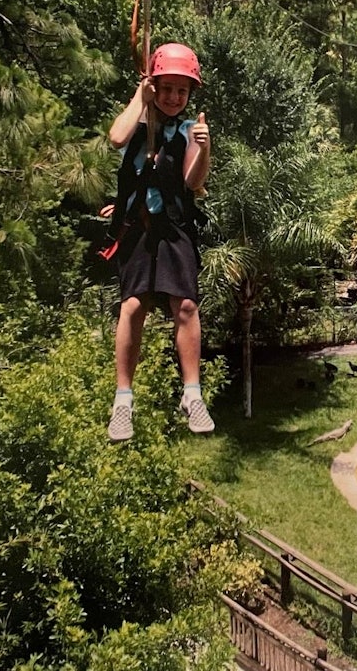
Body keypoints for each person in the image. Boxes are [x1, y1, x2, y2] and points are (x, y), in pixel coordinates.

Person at [104, 42, 215, 441]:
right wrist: (140, 96)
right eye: (166, 88)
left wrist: (204, 149)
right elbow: (115, 138)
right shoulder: (137, 124)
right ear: (155, 85)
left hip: (174, 227)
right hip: (139, 227)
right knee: (133, 305)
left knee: (184, 304)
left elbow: (193, 182)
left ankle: (192, 394)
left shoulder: (187, 130)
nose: (173, 97)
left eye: (181, 91)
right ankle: (123, 400)